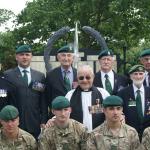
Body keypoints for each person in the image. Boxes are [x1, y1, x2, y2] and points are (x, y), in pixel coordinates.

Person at [4, 45, 48, 139]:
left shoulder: (39, 76)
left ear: (31, 57)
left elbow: (42, 100)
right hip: (14, 122)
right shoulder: (8, 75)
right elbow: (3, 98)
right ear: (16, 57)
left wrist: (44, 120)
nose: (24, 57)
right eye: (21, 55)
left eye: (27, 54)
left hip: (34, 122)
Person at [65, 65, 110, 131]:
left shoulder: (103, 93)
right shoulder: (70, 95)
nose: (85, 80)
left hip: (98, 135)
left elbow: (112, 110)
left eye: (88, 77)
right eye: (81, 78)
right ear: (77, 78)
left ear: (93, 77)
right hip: (77, 136)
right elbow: (62, 112)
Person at [117, 65, 150, 141]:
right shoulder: (122, 93)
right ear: (131, 76)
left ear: (144, 76)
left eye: (141, 73)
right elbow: (119, 112)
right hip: (129, 136)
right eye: (135, 74)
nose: (138, 76)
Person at [45, 45, 77, 114]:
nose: (66, 58)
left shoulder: (79, 74)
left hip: (76, 114)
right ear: (58, 58)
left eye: (69, 55)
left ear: (73, 58)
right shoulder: (50, 75)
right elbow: (46, 98)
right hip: (57, 114)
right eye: (63, 55)